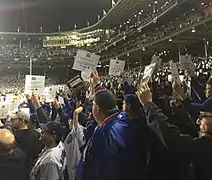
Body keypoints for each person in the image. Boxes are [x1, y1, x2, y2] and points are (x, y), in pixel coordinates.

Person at [76, 71, 148, 180]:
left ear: (97, 109)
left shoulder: (104, 134)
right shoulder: (124, 118)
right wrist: (96, 84)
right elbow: (107, 98)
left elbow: (103, 170)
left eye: (93, 105)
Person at [138, 83, 212, 180]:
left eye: (203, 117)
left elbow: (173, 139)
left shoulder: (205, 146)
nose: (198, 121)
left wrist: (148, 105)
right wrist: (183, 98)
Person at [64, 107, 86, 180]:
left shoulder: (78, 131)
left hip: (75, 167)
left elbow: (76, 113)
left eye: (71, 120)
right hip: (70, 165)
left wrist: (82, 106)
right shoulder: (73, 131)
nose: (69, 121)